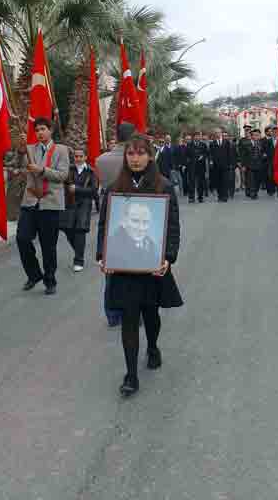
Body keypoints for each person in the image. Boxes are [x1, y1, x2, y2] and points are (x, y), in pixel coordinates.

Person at [97, 134, 182, 398]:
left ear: (150, 155)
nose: (135, 159)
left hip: (153, 267)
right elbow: (104, 226)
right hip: (123, 269)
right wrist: (103, 255)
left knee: (151, 316)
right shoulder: (114, 188)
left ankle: (153, 346)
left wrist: (168, 258)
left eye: (140, 153)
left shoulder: (164, 186)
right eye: (131, 154)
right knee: (129, 320)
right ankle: (131, 374)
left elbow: (172, 227)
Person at [16, 117, 70, 296]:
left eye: (42, 129)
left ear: (50, 130)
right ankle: (34, 274)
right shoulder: (30, 149)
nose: (39, 133)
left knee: (48, 246)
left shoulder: (61, 150)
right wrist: (21, 151)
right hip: (30, 201)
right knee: (22, 238)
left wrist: (42, 171)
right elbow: (18, 166)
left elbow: (63, 175)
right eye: (37, 130)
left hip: (50, 203)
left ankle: (50, 280)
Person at [96, 122, 137, 327]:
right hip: (134, 212)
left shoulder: (101, 160)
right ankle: (132, 311)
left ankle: (112, 313)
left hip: (110, 212)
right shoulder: (136, 160)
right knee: (135, 268)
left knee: (112, 267)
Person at [60, 148, 98, 272]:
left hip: (84, 204)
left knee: (80, 230)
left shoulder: (91, 172)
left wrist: (77, 189)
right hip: (69, 203)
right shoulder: (68, 170)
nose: (78, 158)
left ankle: (78, 260)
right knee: (67, 228)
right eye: (76, 156)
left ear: (85, 157)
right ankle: (79, 250)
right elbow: (62, 183)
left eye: (81, 156)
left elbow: (93, 190)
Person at [105, 201, 162, 270]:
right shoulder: (112, 246)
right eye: (135, 221)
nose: (141, 228)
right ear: (124, 221)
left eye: (145, 222)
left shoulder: (151, 245)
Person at [209, 128, 235, 202]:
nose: (217, 134)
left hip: (225, 165)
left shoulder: (226, 142)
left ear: (221, 133)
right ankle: (220, 196)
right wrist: (211, 161)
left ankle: (225, 196)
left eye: (219, 132)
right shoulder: (212, 143)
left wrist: (230, 163)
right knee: (218, 181)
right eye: (216, 133)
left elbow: (229, 153)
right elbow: (211, 154)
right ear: (215, 134)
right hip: (216, 166)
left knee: (225, 181)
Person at [246, 129, 267, 199]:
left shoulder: (262, 143)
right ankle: (253, 193)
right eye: (255, 135)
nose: (257, 136)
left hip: (259, 165)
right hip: (250, 165)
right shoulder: (247, 144)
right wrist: (243, 164)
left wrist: (264, 155)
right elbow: (243, 155)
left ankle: (255, 191)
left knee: (258, 180)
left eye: (258, 135)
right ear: (252, 136)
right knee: (251, 180)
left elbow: (265, 152)